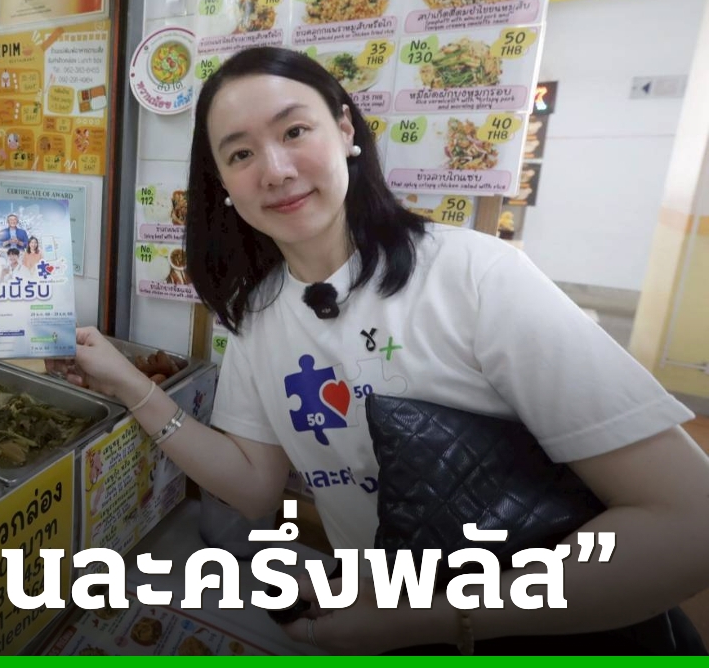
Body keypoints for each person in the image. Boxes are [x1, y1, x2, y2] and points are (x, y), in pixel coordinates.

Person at [49, 47, 709, 655]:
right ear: (221, 181)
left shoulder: (475, 276)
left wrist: (432, 618)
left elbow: (689, 525)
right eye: (241, 153)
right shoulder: (260, 313)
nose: (275, 170)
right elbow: (253, 488)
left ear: (345, 130)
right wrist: (131, 386)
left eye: (294, 131)